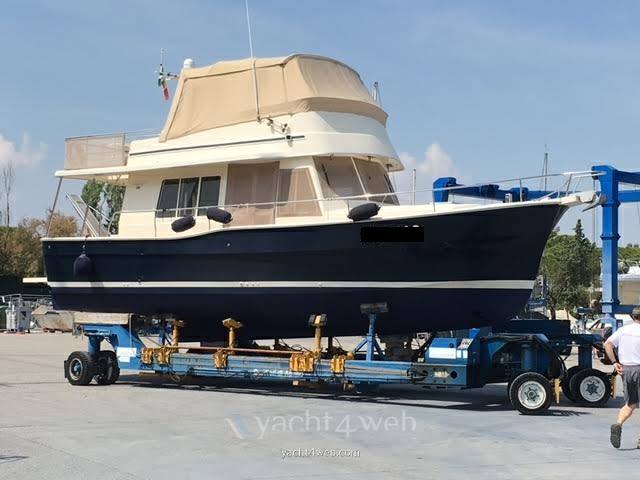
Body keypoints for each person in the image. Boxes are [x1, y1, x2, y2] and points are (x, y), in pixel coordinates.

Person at [605, 306, 640, 449]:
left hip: (626, 370)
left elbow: (608, 344)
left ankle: (618, 423)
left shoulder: (623, 330)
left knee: (630, 403)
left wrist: (615, 363)